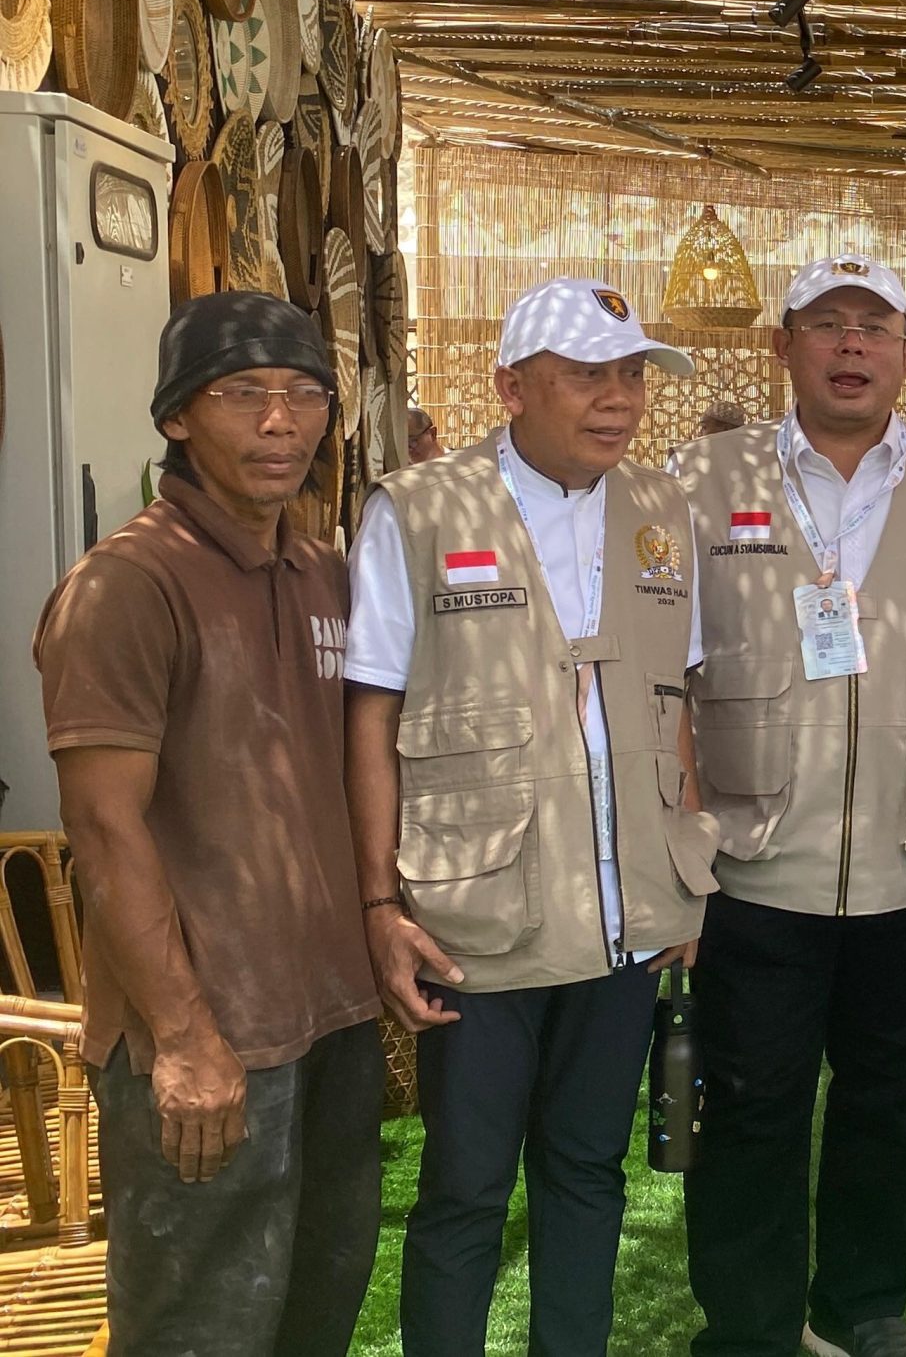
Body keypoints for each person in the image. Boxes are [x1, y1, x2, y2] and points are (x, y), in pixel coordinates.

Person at [344, 276, 719, 1356]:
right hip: (475, 918)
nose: (620, 399)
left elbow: (672, 702)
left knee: (587, 1172)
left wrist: (684, 870)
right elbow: (371, 713)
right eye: (589, 375)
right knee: (465, 1187)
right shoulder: (419, 510)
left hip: (624, 916)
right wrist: (380, 904)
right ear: (511, 387)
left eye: (632, 375)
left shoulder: (661, 510)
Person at [669, 253, 906, 1357]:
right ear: (784, 347)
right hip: (753, 852)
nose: (853, 344)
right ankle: (751, 1326)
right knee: (750, 1102)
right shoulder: (700, 480)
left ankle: (859, 1307)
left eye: (876, 325)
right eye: (828, 323)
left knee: (891, 1096)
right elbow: (665, 666)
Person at [33, 292, 382, 1356]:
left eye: (304, 393)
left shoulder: (323, 572)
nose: (281, 421)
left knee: (320, 1309)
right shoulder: (126, 586)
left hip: (331, 1019)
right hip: (206, 1035)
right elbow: (103, 827)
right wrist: (183, 1038)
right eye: (243, 394)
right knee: (201, 1331)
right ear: (177, 416)